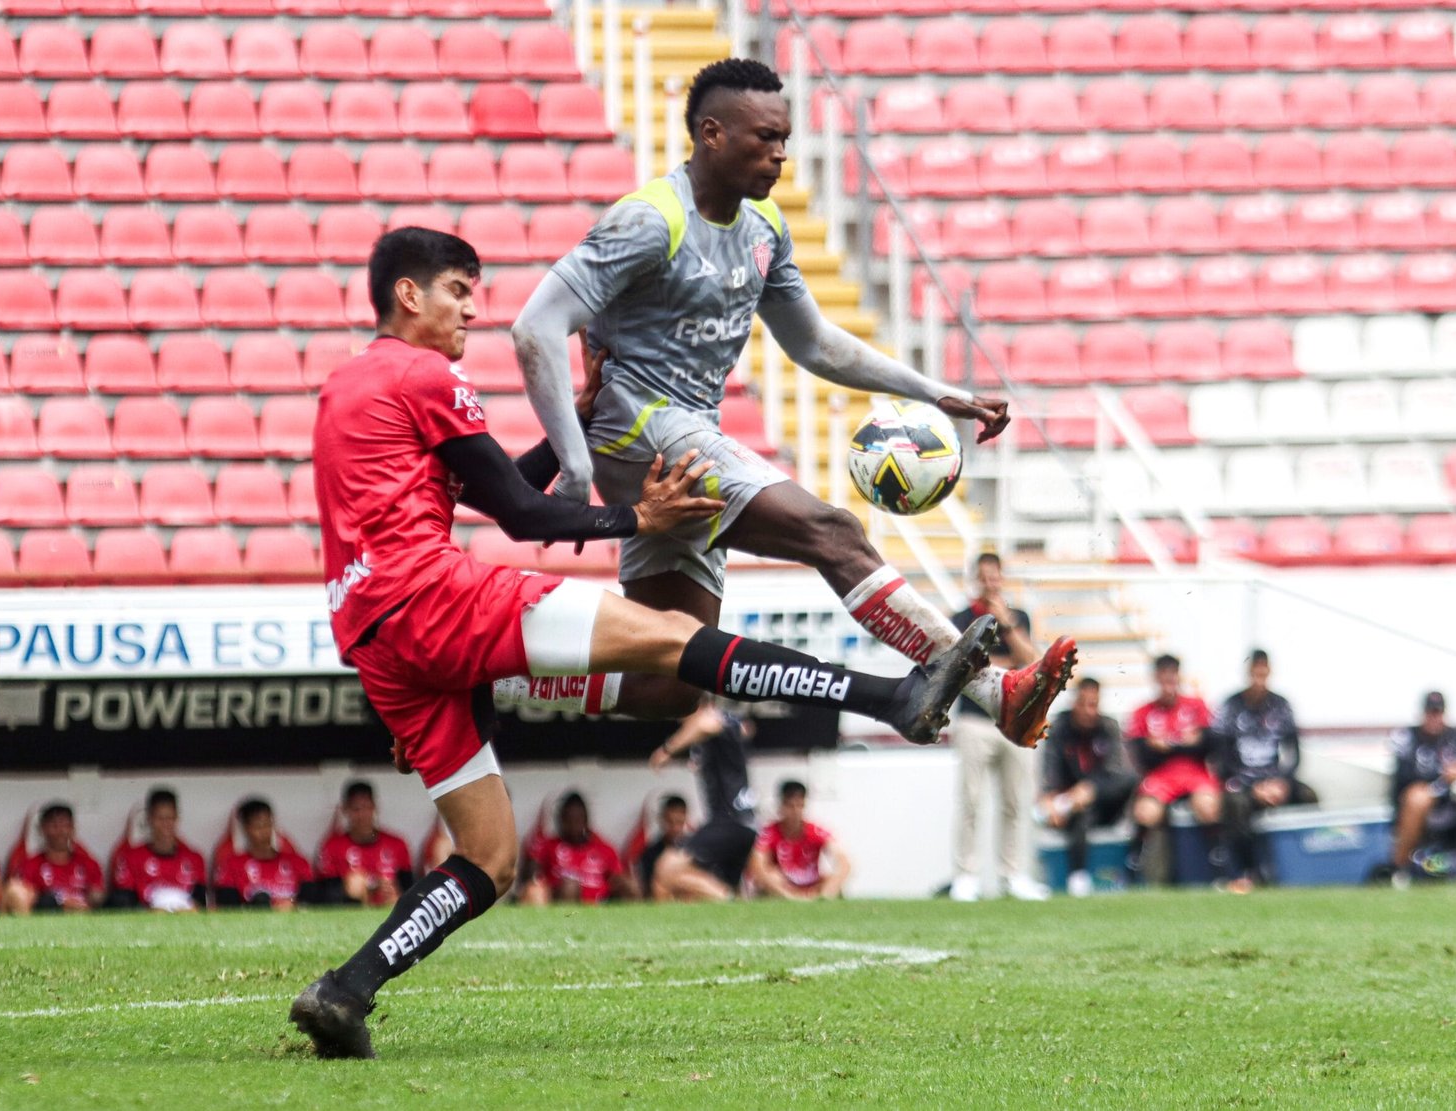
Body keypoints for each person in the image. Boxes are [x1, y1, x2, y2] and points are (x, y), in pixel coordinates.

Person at [289, 225, 1003, 1059]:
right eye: (458, 290)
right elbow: (519, 518)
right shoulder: (421, 371)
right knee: (674, 639)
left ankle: (345, 991)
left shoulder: (348, 388)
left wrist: (574, 431)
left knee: (489, 857)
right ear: (407, 295)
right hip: (430, 595)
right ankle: (894, 695)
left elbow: (493, 492)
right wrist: (640, 518)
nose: (472, 309)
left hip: (378, 634)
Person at [511, 56, 1077, 744]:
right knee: (831, 531)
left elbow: (813, 342)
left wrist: (937, 392)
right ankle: (997, 690)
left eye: (785, 137)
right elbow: (535, 324)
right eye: (764, 138)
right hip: (641, 428)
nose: (780, 153)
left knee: (669, 684)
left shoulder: (765, 226)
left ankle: (483, 674)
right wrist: (571, 467)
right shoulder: (651, 220)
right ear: (711, 134)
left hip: (687, 435)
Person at [947, 553, 1048, 902]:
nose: (990, 583)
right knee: (971, 800)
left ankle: (1013, 874)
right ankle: (966, 875)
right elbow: (966, 667)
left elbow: (1032, 660)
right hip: (975, 720)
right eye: (984, 577)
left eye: (995, 576)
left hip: (1015, 722)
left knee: (1015, 802)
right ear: (975, 579)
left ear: (1002, 578)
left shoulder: (1018, 617)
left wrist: (1005, 623)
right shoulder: (960, 618)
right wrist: (1007, 666)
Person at [1210, 650, 1319, 893]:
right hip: (1244, 783)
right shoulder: (1231, 706)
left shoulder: (1281, 705)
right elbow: (1222, 759)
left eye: (1263, 674)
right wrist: (1252, 787)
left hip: (1275, 782)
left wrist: (1282, 783)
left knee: (1310, 796)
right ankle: (1247, 871)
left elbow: (1294, 754)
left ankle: (1303, 869)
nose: (1259, 680)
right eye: (1254, 674)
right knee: (1235, 803)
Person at [646, 701, 760, 901]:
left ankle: (726, 898)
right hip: (741, 824)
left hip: (729, 821)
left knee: (666, 867)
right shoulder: (725, 727)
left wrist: (667, 750)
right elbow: (746, 729)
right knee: (686, 885)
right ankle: (726, 900)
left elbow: (706, 723)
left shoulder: (711, 719)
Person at [1126, 655, 1222, 885]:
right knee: (1145, 812)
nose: (1168, 683)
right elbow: (1140, 755)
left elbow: (1212, 744)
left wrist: (1195, 742)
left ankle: (1219, 868)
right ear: (1156, 678)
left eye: (1172, 676)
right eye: (1163, 677)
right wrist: (1153, 746)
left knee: (1208, 806)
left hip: (1193, 772)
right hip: (1161, 776)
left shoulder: (1196, 706)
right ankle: (1132, 871)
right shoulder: (1143, 712)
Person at [1039, 678, 1136, 898]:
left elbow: (1117, 772)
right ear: (1075, 703)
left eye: (1094, 704)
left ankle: (1135, 871)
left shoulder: (1109, 726)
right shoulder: (1059, 728)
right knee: (1081, 812)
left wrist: (1090, 789)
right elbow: (1050, 772)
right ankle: (1078, 878)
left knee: (1131, 779)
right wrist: (1051, 799)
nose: (1089, 711)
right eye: (1085, 704)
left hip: (1106, 803)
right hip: (1070, 808)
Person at [1390, 691, 1456, 888]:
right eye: (1430, 712)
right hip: (1421, 796)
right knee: (1418, 797)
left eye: (1438, 712)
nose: (1434, 717)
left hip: (1453, 796)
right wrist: (1444, 774)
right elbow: (1404, 776)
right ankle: (1400, 867)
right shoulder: (1408, 736)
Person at [517, 793, 632, 906]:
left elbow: (618, 877)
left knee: (630, 884)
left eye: (578, 819)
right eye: (569, 819)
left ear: (586, 820)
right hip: (561, 902)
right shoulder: (548, 846)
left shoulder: (603, 848)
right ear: (560, 820)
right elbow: (529, 877)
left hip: (601, 904)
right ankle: (567, 923)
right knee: (569, 887)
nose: (573, 825)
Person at [317, 782, 415, 907]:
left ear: (375, 808)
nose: (362, 815)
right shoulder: (332, 846)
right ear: (345, 809)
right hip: (350, 913)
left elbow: (410, 887)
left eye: (367, 807)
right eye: (356, 809)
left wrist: (395, 893)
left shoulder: (397, 844)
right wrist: (352, 889)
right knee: (356, 882)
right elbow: (321, 895)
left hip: (390, 911)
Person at [109, 788, 207, 912]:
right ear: (149, 819)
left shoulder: (194, 859)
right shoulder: (130, 857)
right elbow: (123, 902)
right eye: (160, 818)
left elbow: (201, 902)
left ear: (177, 818)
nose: (166, 824)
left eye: (170, 818)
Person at [749, 781, 851, 899]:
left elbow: (844, 862)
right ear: (781, 805)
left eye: (799, 805)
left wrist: (827, 891)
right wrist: (790, 896)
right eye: (790, 806)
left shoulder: (816, 831)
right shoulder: (769, 833)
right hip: (783, 887)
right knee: (769, 878)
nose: (795, 812)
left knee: (833, 882)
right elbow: (757, 866)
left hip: (812, 886)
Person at [214, 797, 316, 910]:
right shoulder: (232, 865)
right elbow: (227, 907)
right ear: (246, 829)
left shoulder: (297, 862)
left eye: (268, 824)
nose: (264, 831)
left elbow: (311, 901)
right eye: (258, 826)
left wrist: (292, 905)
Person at [2, 803, 105, 914]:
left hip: (84, 917)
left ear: (73, 828)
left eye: (65, 825)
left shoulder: (88, 863)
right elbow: (21, 896)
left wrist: (94, 899)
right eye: (54, 825)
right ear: (43, 829)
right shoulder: (30, 865)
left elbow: (97, 896)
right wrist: (62, 903)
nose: (60, 831)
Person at [635, 796, 690, 899]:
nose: (674, 828)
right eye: (670, 822)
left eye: (679, 822)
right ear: (662, 819)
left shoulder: (696, 849)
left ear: (686, 817)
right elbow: (648, 888)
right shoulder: (650, 853)